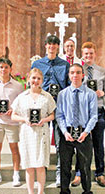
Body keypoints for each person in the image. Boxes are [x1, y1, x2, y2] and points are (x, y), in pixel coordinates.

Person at [31, 35, 70, 187]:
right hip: (42, 106)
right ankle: (41, 173)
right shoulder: (37, 63)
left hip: (60, 105)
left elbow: (68, 85)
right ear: (45, 45)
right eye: (49, 44)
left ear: (58, 47)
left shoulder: (64, 65)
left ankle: (60, 174)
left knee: (61, 143)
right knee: (41, 141)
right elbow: (32, 84)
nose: (52, 47)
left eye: (55, 44)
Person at [70, 42, 105, 187]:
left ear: (95, 54)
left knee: (99, 144)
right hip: (82, 113)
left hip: (98, 111)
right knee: (80, 144)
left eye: (91, 53)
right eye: (86, 53)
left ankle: (100, 174)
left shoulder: (102, 71)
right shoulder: (78, 71)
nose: (88, 56)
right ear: (82, 54)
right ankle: (79, 174)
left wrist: (102, 93)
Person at [11, 68, 56, 194]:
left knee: (41, 165)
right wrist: (24, 119)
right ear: (29, 79)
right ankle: (31, 192)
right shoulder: (22, 97)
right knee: (29, 165)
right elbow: (13, 116)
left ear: (42, 80)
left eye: (38, 78)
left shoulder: (47, 97)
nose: (36, 81)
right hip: (27, 133)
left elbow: (52, 115)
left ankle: (40, 191)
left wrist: (44, 119)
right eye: (33, 78)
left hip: (42, 133)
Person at [56, 63, 98, 194]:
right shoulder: (62, 94)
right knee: (65, 164)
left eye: (78, 72)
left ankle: (86, 190)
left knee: (85, 165)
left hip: (84, 132)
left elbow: (94, 116)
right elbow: (59, 115)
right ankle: (64, 190)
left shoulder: (90, 94)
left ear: (83, 75)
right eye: (72, 72)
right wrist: (64, 132)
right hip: (67, 132)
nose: (75, 75)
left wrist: (86, 132)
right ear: (69, 75)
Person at [0, 57, 23, 187]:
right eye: (1, 67)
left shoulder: (18, 86)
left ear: (10, 69)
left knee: (14, 148)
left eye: (6, 67)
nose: (3, 69)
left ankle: (16, 174)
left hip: (11, 121)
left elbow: (20, 103)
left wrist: (13, 109)